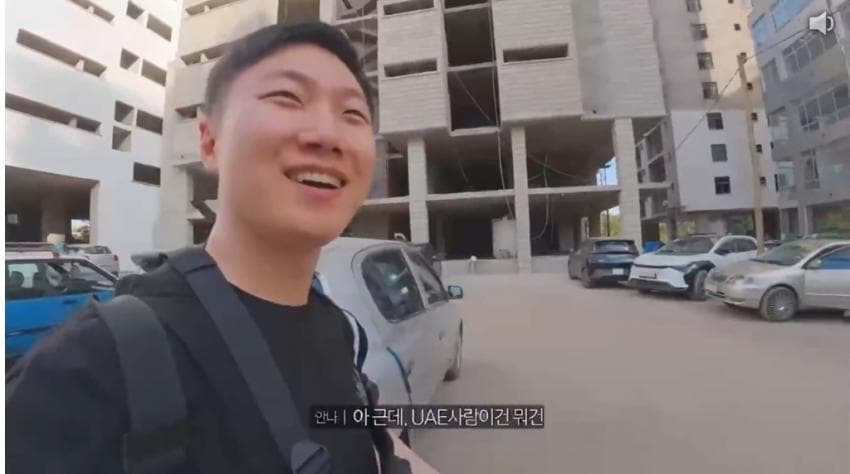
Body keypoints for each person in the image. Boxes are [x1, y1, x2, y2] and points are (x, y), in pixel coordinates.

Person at [7, 22, 437, 474]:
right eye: (287, 98)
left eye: (352, 114)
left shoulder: (337, 327)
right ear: (209, 141)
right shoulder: (88, 368)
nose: (328, 136)